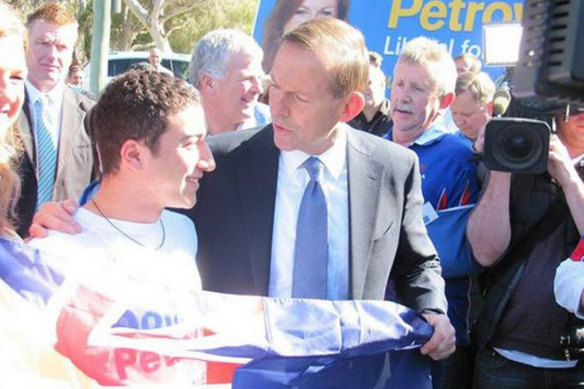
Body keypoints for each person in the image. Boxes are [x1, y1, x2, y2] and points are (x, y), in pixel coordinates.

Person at [191, 18, 454, 362]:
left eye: (298, 97)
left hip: (350, 372)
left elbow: (417, 263)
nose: (276, 106)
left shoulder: (393, 168)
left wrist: (432, 310)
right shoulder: (220, 164)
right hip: (244, 371)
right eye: (276, 86)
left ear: (348, 108)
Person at [386, 36, 480, 389]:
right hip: (377, 326)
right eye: (399, 83)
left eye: (418, 88)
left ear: (444, 101)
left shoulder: (460, 158)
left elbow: (461, 255)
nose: (403, 95)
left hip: (433, 337)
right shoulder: (371, 147)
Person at [468, 109, 584, 388]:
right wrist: (503, 160)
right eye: (577, 104)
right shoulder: (519, 149)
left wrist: (569, 179)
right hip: (503, 355)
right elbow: (485, 251)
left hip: (575, 363)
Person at [14, 2, 95, 237]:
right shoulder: (6, 105)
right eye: (43, 43)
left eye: (62, 47)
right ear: (25, 45)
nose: (52, 55)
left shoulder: (91, 115)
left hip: (64, 247)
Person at [189, 29, 270, 135]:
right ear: (209, 83)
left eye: (259, 78)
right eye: (247, 79)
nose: (259, 89)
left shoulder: (274, 130)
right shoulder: (174, 133)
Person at [261, 0, 350, 73]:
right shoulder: (257, 71)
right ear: (283, 18)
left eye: (325, 13)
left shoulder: (346, 76)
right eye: (301, 11)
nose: (312, 21)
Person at [348, 51, 392, 137]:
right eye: (358, 83)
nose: (362, 88)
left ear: (382, 84)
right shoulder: (345, 120)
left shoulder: (396, 120)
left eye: (368, 82)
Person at [451, 71, 495, 144]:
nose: (459, 122)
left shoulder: (509, 139)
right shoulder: (452, 144)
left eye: (466, 114)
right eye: (454, 113)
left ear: (489, 107)